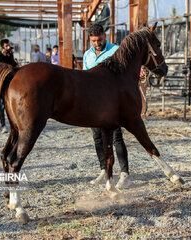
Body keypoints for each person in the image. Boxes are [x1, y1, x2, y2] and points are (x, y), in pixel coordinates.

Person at [83, 23, 131, 189]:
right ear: (90, 39)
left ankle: (125, 173)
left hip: (112, 103)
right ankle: (104, 170)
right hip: (93, 103)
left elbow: (124, 75)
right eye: (94, 41)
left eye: (100, 39)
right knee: (97, 137)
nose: (97, 43)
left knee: (116, 137)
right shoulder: (87, 55)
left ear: (105, 35)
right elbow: (85, 77)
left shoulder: (116, 50)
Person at [0, 39, 17, 133]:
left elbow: (13, 65)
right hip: (2, 82)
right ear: (3, 47)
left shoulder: (10, 55)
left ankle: (13, 124)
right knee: (2, 105)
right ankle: (3, 125)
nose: (8, 47)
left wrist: (11, 56)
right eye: (6, 46)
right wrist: (4, 55)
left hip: (11, 82)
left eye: (9, 45)